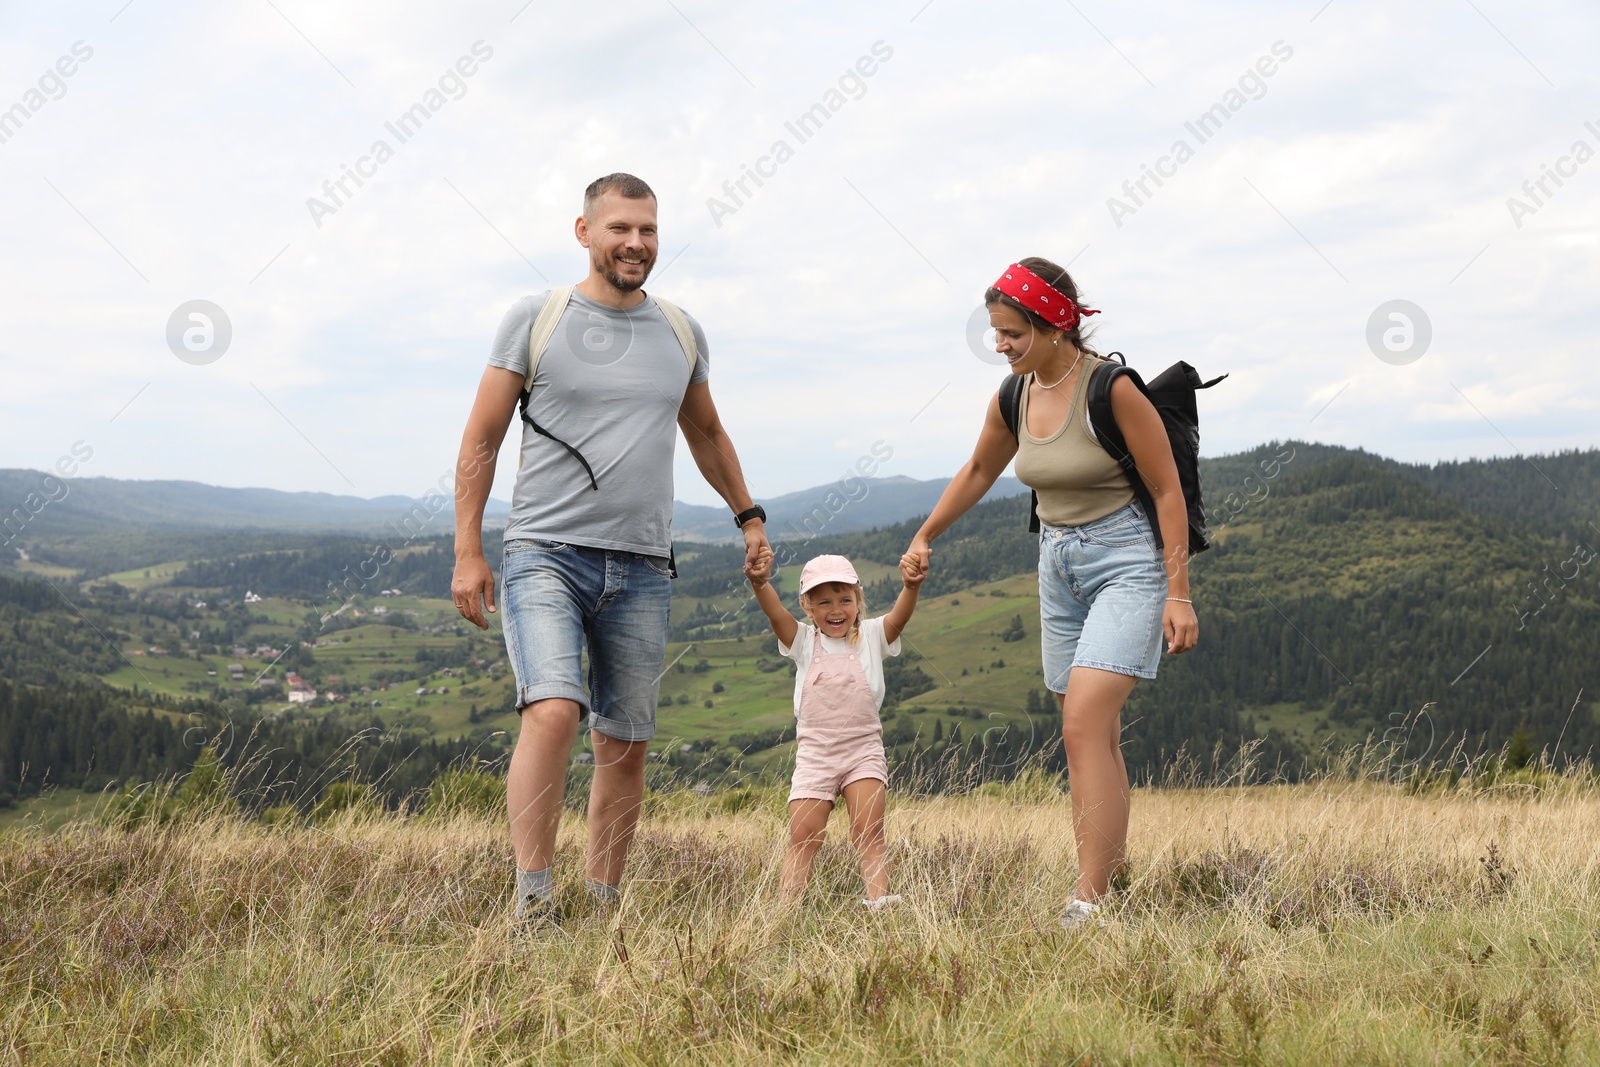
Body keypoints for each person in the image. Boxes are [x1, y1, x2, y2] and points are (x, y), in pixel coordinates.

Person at [450, 173, 771, 923]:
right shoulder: (537, 318)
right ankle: (533, 905)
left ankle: (603, 904)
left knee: (624, 742)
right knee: (555, 711)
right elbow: (482, 438)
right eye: (620, 228)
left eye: (648, 230)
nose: (635, 243)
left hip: (643, 565)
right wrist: (469, 549)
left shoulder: (681, 331)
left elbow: (707, 433)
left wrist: (748, 515)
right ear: (584, 231)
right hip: (544, 553)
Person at [900, 257, 1198, 929]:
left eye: (1010, 333)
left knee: (1082, 723)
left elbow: (1167, 489)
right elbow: (980, 468)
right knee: (1095, 736)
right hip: (1056, 563)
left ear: (1055, 323)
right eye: (995, 334)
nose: (1000, 346)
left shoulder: (1113, 389)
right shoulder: (1015, 394)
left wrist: (1178, 592)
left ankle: (1087, 900)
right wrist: (927, 533)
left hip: (1128, 560)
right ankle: (1111, 877)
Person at [744, 550, 923, 908]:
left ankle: (880, 910)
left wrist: (910, 587)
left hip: (863, 752)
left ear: (858, 600)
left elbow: (900, 616)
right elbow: (774, 613)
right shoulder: (802, 641)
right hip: (815, 756)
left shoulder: (873, 635)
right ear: (808, 608)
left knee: (869, 834)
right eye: (823, 602)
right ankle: (786, 912)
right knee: (803, 836)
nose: (836, 610)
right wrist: (760, 583)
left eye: (845, 599)